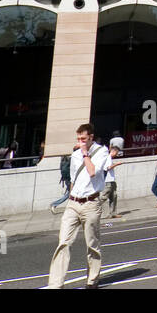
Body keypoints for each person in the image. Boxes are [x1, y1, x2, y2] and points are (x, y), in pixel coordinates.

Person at [48, 123, 112, 289]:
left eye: (83, 139)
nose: (80, 142)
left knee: (92, 244)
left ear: (91, 137)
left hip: (91, 203)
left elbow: (92, 171)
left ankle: (92, 280)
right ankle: (55, 284)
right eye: (78, 139)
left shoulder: (101, 151)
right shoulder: (75, 155)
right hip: (73, 203)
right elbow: (73, 179)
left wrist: (85, 153)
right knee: (63, 243)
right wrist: (70, 196)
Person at [103, 135, 124, 219]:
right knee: (104, 197)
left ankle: (113, 213)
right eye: (116, 153)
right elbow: (107, 168)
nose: (116, 154)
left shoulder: (110, 158)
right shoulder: (108, 158)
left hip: (112, 180)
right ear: (113, 151)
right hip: (108, 181)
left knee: (114, 196)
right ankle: (93, 210)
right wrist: (116, 164)